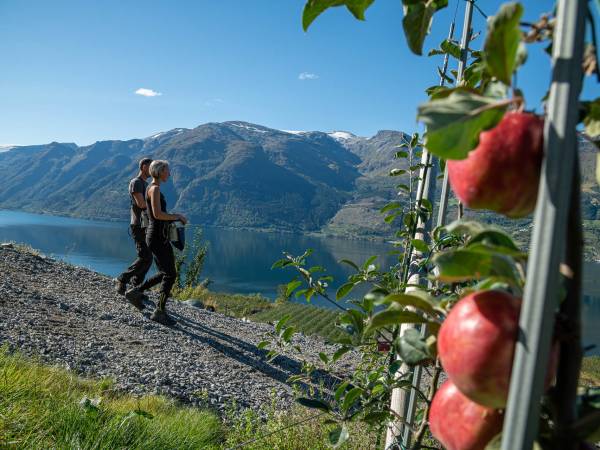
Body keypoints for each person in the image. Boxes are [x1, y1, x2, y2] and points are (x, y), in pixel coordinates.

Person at [126, 159, 187, 325]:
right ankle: (159, 311)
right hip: (157, 237)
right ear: (160, 172)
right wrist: (177, 216)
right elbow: (158, 214)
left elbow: (156, 213)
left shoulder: (151, 188)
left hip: (157, 236)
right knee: (171, 274)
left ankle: (136, 292)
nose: (169, 173)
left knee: (163, 272)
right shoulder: (155, 188)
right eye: (167, 170)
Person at [115, 157, 153, 309]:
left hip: (146, 225)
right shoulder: (136, 182)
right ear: (144, 167)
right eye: (150, 167)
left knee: (148, 258)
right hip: (138, 225)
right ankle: (122, 279)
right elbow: (141, 204)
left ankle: (135, 288)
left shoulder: (145, 184)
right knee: (145, 255)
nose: (152, 170)